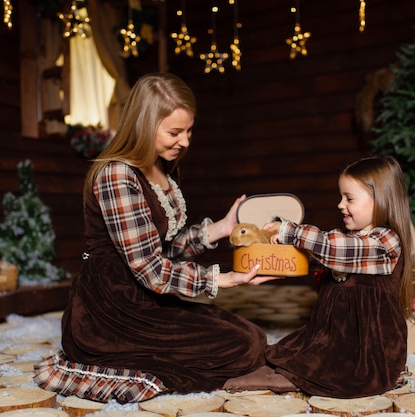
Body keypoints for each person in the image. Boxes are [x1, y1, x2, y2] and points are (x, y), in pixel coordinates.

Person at [35, 72, 280, 402]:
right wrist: (224, 279)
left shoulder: (162, 167)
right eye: (175, 132)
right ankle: (104, 358)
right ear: (143, 125)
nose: (185, 141)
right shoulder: (117, 175)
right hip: (110, 309)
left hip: (147, 296)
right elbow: (151, 269)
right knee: (245, 346)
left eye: (189, 130)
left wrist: (221, 228)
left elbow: (165, 249)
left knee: (251, 336)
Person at [223, 155, 413, 398]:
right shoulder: (353, 237)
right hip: (333, 332)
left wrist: (290, 230)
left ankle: (277, 376)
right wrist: (285, 250)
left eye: (349, 198)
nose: (340, 205)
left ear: (380, 201)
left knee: (322, 371)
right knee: (287, 353)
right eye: (341, 197)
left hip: (366, 343)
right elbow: (326, 253)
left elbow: (334, 248)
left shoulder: (386, 241)